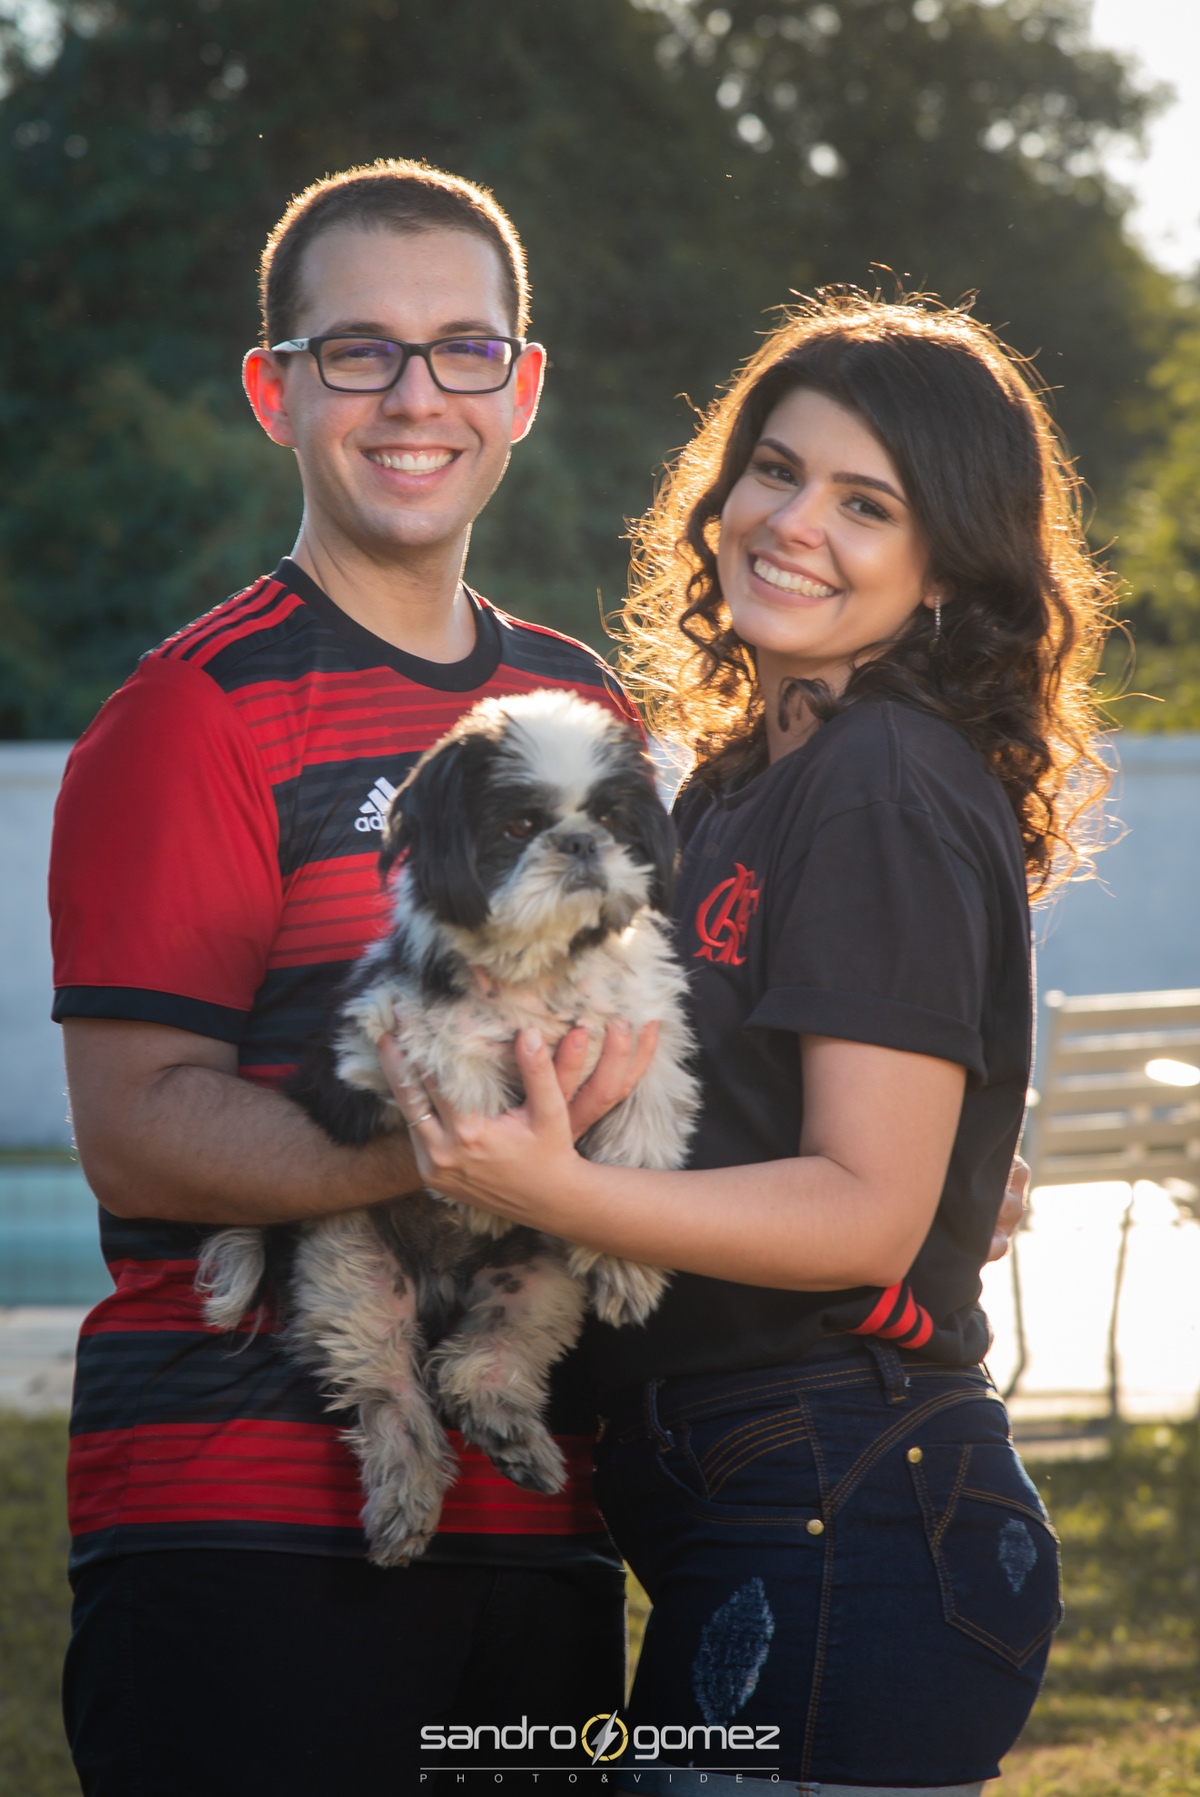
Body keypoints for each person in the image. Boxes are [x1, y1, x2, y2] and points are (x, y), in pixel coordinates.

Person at [383, 293, 1111, 1795]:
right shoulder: (734, 784)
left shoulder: (884, 775)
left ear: (944, 563)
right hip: (763, 1494)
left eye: (866, 504)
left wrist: (553, 1189)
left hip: (848, 1497)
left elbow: (862, 1212)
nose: (793, 523)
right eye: (776, 470)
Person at [51, 158, 651, 1796]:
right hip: (246, 1524)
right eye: (358, 349)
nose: (415, 395)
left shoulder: (581, 709)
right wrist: (458, 1152)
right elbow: (138, 1129)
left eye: (464, 347)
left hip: (540, 1514)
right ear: (277, 392)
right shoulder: (193, 711)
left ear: (522, 389)